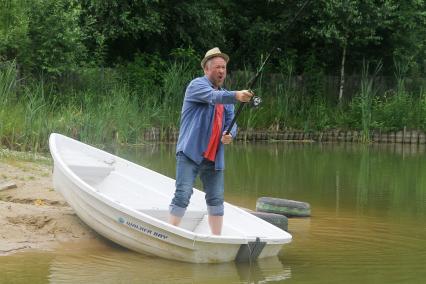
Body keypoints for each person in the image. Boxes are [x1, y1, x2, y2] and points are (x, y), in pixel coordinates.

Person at [168, 47, 253, 235]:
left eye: (224, 67)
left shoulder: (227, 96)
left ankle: (217, 238)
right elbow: (214, 97)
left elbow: (232, 123)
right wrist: (236, 95)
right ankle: (170, 234)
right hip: (190, 152)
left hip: (214, 156)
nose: (221, 71)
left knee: (216, 199)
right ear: (207, 70)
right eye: (217, 67)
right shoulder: (196, 86)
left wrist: (230, 134)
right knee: (183, 194)